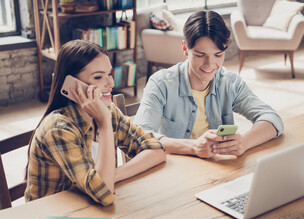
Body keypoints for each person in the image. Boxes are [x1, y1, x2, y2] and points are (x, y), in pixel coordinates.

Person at [25, 40, 166, 206]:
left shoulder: (108, 111)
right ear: (72, 84)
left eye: (109, 74)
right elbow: (104, 194)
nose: (111, 84)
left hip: (88, 208)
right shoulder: (58, 128)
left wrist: (114, 175)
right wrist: (104, 123)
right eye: (99, 77)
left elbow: (156, 150)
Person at [134, 10, 283, 158]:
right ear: (185, 48)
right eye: (200, 55)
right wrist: (193, 147)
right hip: (173, 169)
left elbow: (272, 118)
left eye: (218, 55)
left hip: (215, 171)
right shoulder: (161, 84)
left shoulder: (230, 83)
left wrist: (243, 142)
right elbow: (140, 137)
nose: (210, 64)